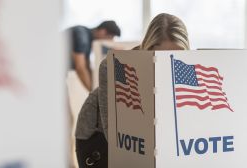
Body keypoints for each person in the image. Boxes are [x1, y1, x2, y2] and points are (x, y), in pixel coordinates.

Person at [75, 13, 190, 168]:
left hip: (143, 140)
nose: (167, 62)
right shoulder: (115, 66)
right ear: (147, 48)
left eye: (174, 56)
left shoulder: (187, 68)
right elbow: (114, 135)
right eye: (160, 56)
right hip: (98, 136)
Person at [67, 21, 121, 91]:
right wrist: (93, 93)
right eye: (109, 38)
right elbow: (80, 67)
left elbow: (87, 65)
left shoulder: (88, 39)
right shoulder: (82, 37)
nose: (108, 42)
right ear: (103, 32)